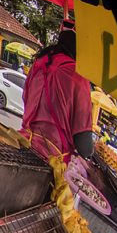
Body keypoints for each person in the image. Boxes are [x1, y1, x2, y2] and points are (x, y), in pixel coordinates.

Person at [20, 24, 93, 164]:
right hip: (51, 160)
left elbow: (26, 99)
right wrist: (90, 150)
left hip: (23, 142)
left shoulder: (40, 62)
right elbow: (84, 147)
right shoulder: (78, 76)